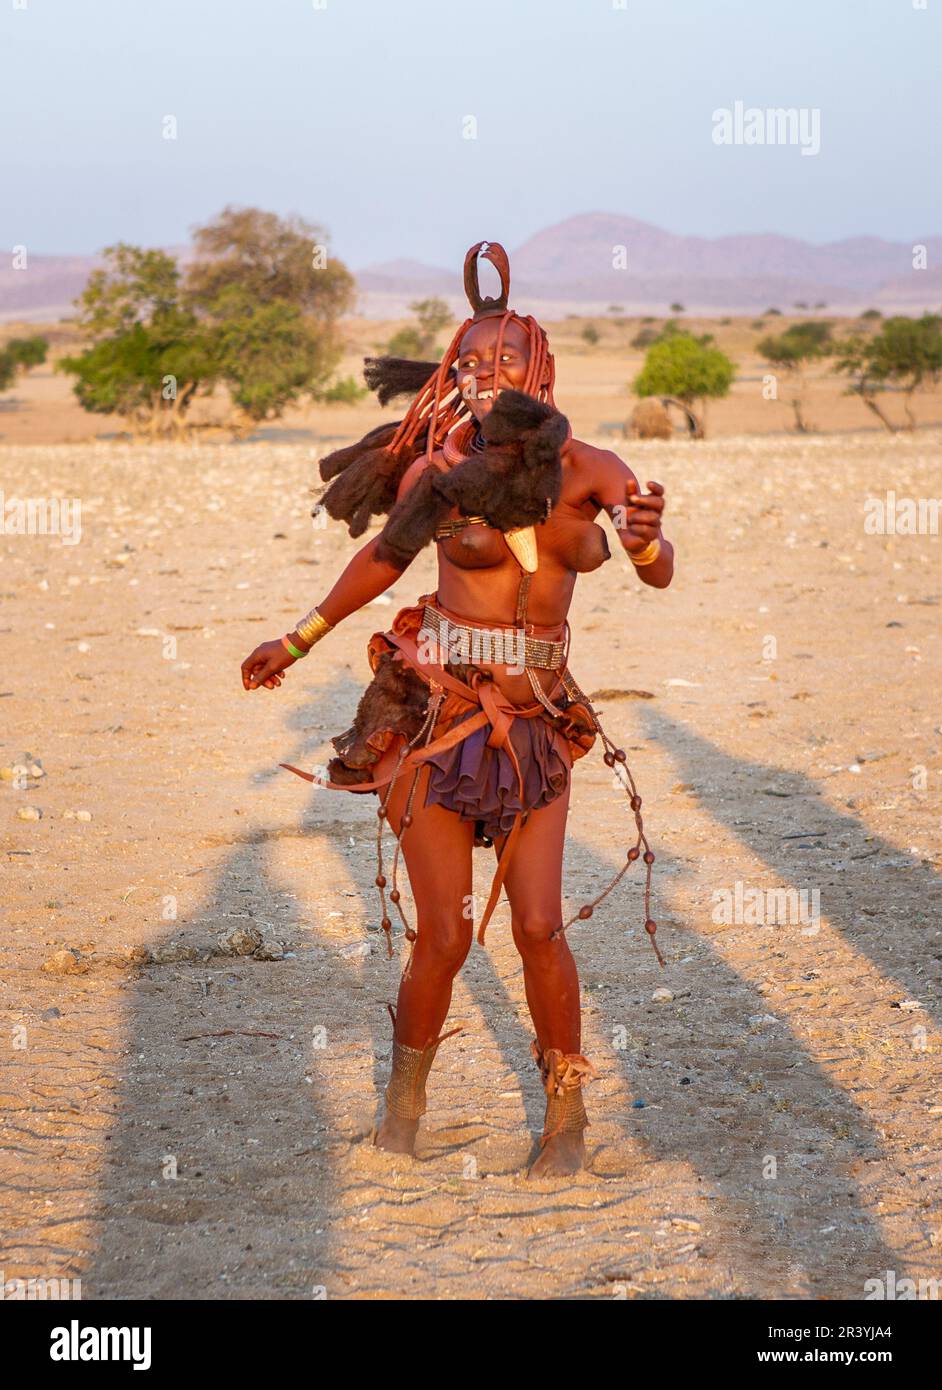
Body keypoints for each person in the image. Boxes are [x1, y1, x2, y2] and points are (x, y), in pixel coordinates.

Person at [241, 242, 673, 1177]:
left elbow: (659, 566)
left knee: (538, 931)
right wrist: (299, 639)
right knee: (441, 934)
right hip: (436, 720)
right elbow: (383, 565)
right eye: (469, 361)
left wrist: (641, 545)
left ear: (541, 368)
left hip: (540, 727)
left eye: (505, 359)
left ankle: (566, 1125)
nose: (486, 374)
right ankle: (401, 1117)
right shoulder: (434, 473)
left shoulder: (593, 469)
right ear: (449, 376)